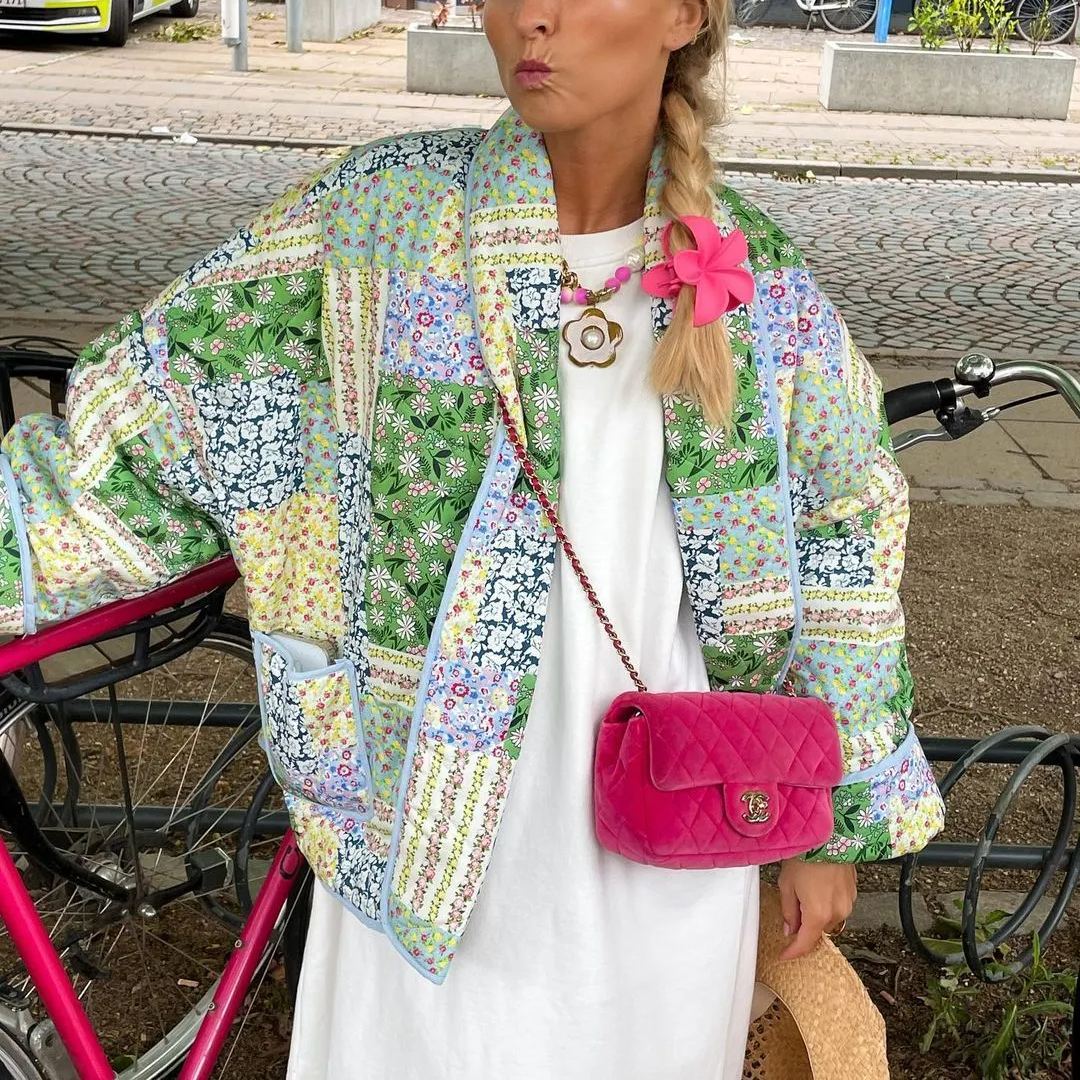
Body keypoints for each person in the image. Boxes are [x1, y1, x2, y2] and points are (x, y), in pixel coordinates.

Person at [0, 1, 946, 1076]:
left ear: (685, 15)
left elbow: (845, 539)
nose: (533, 17)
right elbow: (152, 421)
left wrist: (829, 825)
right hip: (424, 836)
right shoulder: (378, 221)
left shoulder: (760, 284)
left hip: (671, 834)